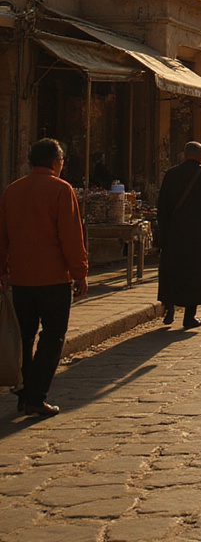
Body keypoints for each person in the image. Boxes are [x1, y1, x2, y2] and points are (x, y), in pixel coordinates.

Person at [0, 138, 88, 417]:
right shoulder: (61, 190)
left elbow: (1, 236)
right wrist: (80, 273)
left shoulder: (12, 191)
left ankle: (24, 393)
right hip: (53, 278)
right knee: (52, 336)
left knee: (24, 336)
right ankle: (36, 396)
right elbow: (71, 236)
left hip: (21, 278)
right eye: (62, 161)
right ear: (54, 162)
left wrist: (3, 270)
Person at [157, 141, 201, 329]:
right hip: (198, 236)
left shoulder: (171, 175)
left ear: (184, 155)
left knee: (172, 272)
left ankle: (169, 310)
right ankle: (189, 316)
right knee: (195, 274)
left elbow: (162, 207)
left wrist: (165, 231)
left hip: (173, 235)